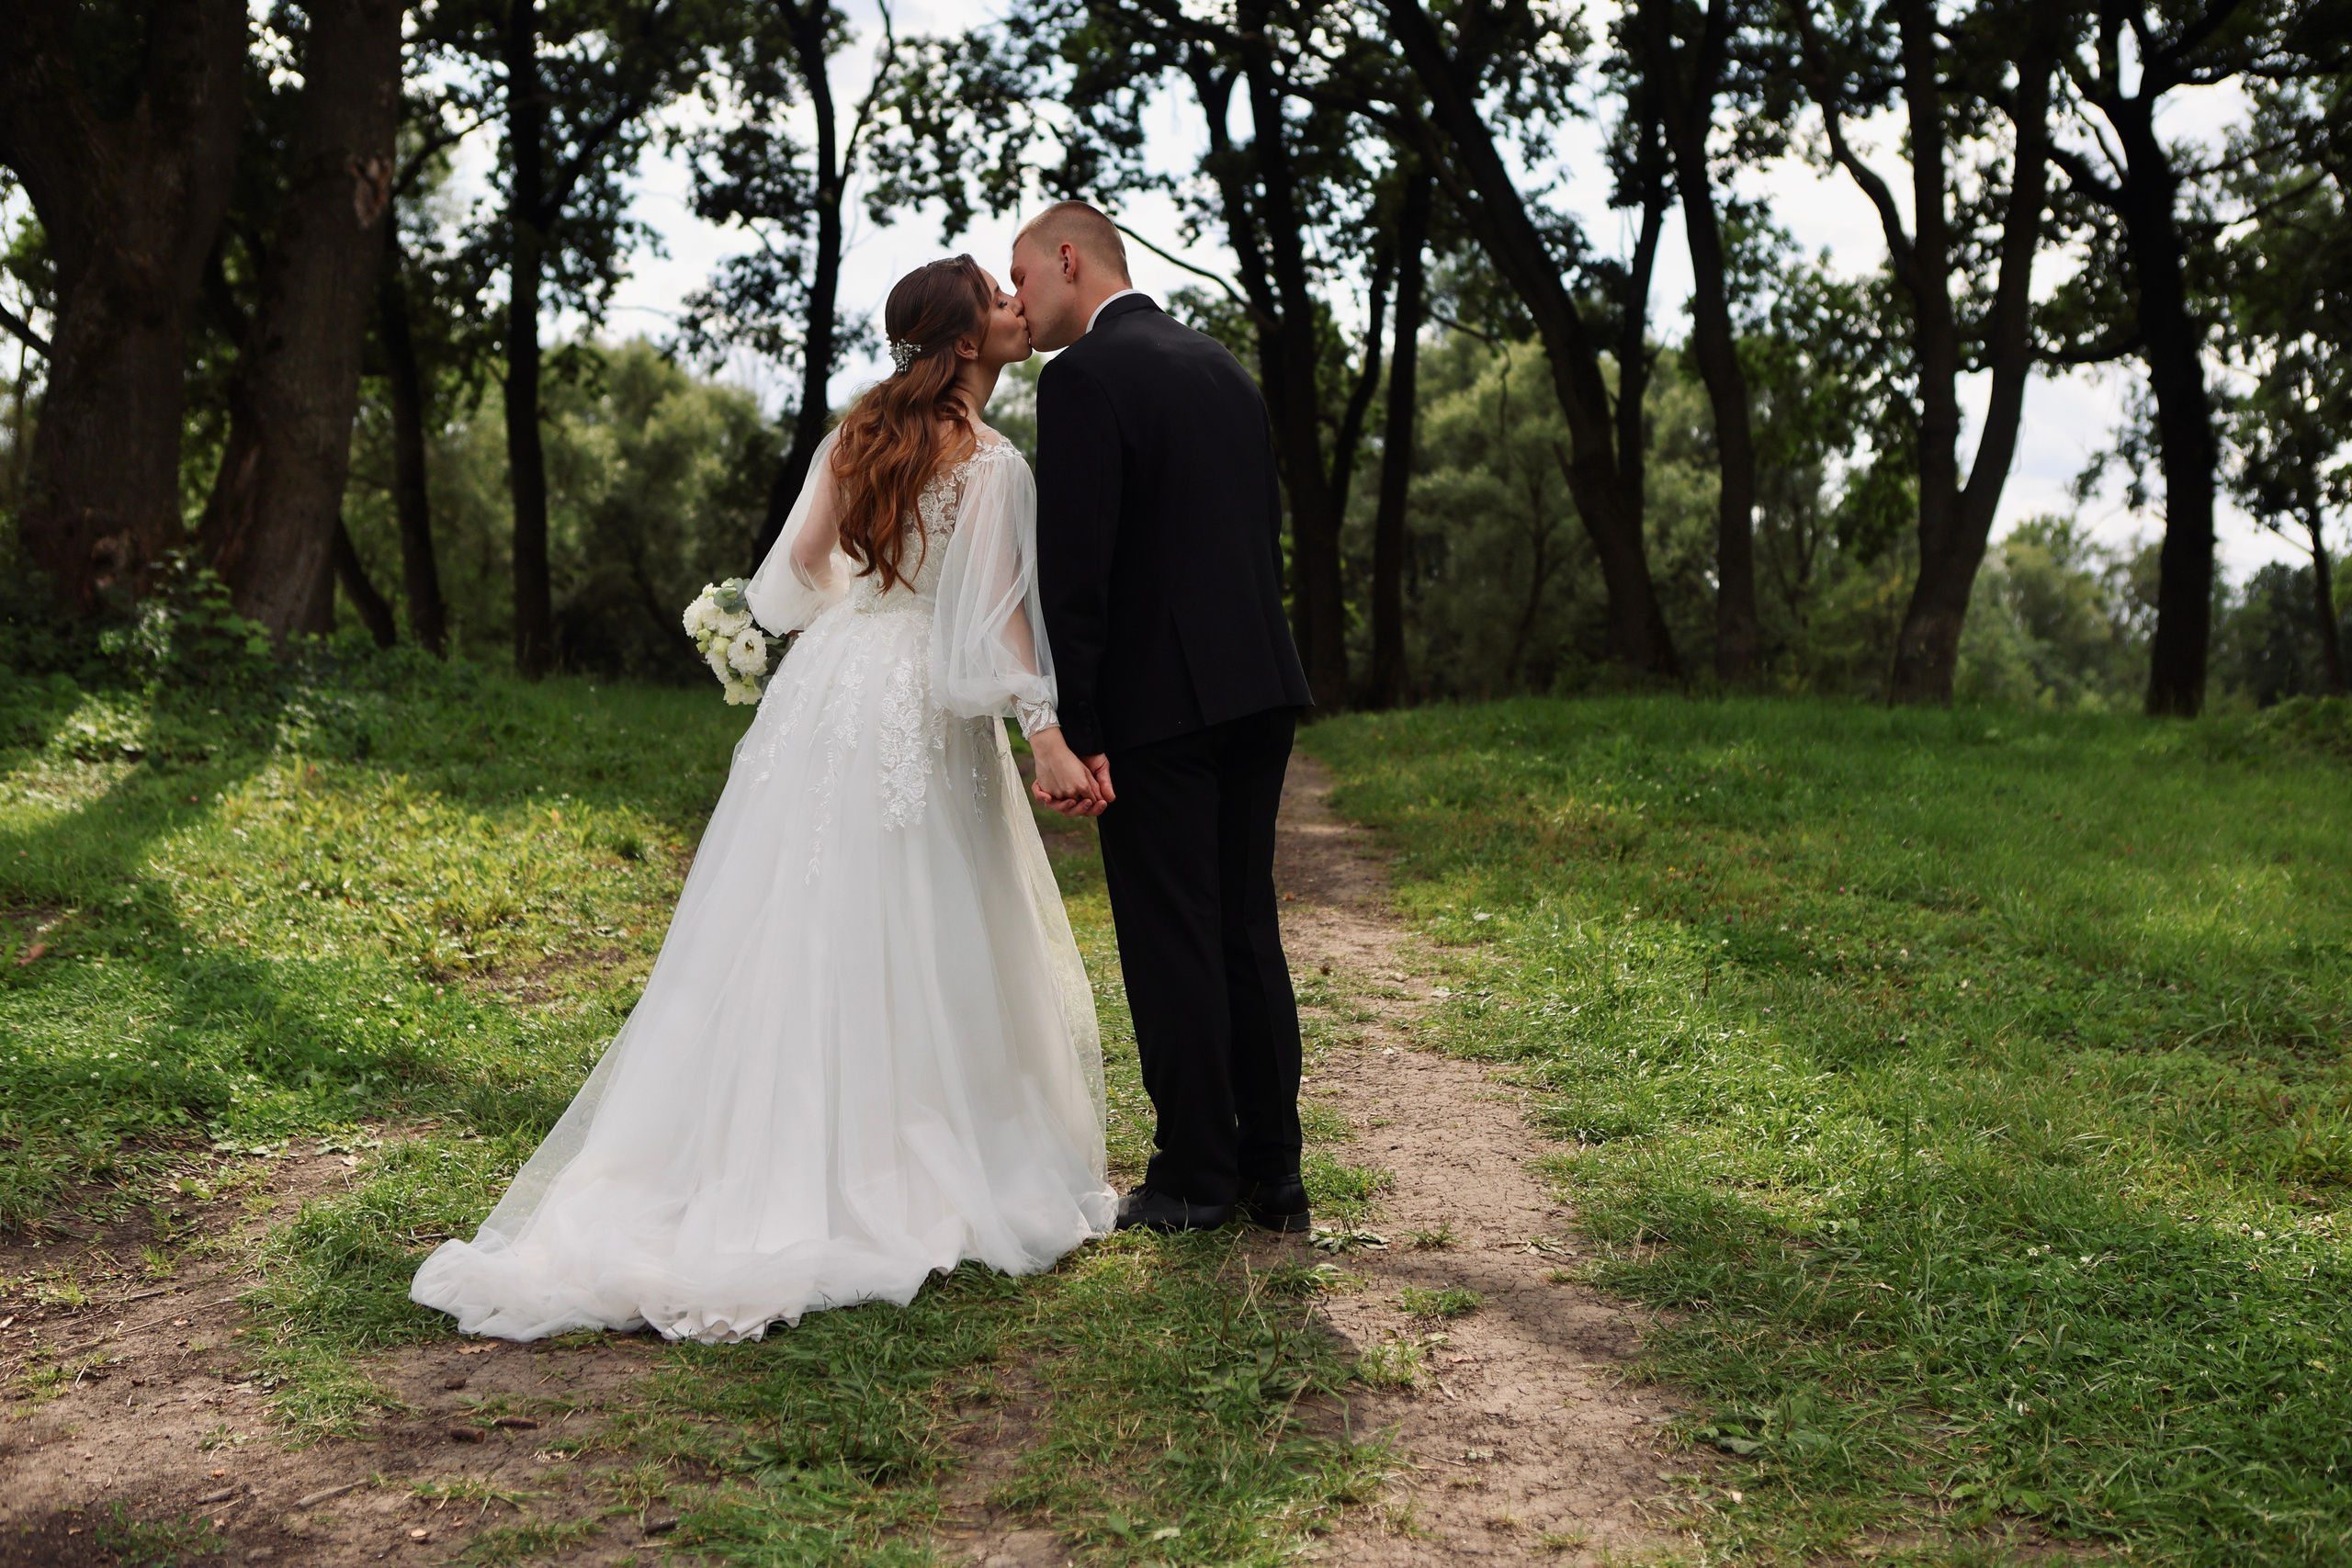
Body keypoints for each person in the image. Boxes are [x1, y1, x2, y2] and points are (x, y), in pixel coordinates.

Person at [411, 256, 1115, 1343]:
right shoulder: (991, 463)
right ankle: (906, 1146)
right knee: (919, 909)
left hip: (831, 686)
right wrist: (1048, 737)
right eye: (996, 298)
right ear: (963, 339)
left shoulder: (858, 433)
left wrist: (858, 612)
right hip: (919, 699)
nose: (1018, 308)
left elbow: (791, 581)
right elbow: (998, 626)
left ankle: (753, 1145)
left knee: (799, 906)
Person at [1012, 201, 1317, 1235]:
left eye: (1022, 275)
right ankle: (1275, 1172)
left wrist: (1079, 726)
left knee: (1170, 934)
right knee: (1243, 925)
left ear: (1068, 258)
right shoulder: (1222, 366)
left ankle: (1193, 1178)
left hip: (1159, 705)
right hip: (1259, 685)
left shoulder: (1082, 378)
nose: (1017, 301)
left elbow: (1076, 573)